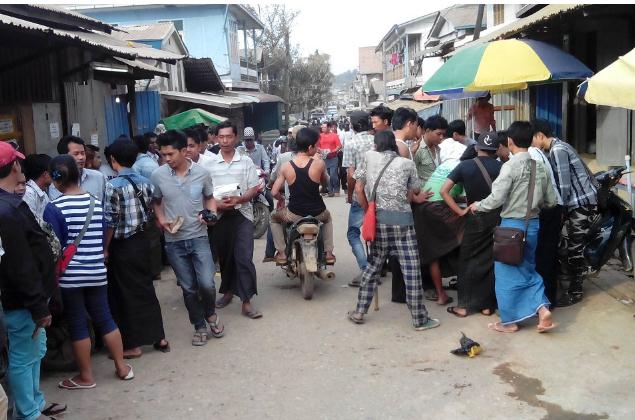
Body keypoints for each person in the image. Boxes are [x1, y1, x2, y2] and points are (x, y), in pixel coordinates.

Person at [45, 155, 134, 389]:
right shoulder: (95, 202)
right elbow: (103, 234)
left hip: (70, 277)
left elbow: (54, 247)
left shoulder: (54, 208)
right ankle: (122, 367)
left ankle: (86, 377)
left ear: (56, 180)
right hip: (97, 271)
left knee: (77, 323)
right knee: (105, 318)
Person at [469, 121, 557, 333]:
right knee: (528, 269)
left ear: (509, 141)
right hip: (533, 225)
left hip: (510, 228)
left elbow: (496, 198)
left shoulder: (509, 166)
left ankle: (509, 322)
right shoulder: (540, 166)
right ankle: (542, 309)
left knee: (506, 276)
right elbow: (551, 201)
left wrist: (477, 205)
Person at [347, 130, 439, 330]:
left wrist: (368, 210)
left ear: (376, 145)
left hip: (379, 221)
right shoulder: (407, 163)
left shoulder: (369, 157)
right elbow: (414, 190)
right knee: (411, 270)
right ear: (394, 146)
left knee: (373, 267)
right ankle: (419, 319)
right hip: (403, 223)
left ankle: (359, 311)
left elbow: (359, 188)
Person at [0, 143, 66, 419]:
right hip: (22, 301)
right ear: (14, 166)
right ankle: (28, 412)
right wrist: (38, 306)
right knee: (23, 355)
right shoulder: (6, 211)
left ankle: (35, 403)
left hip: (32, 296)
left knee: (35, 351)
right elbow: (19, 265)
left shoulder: (11, 204)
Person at [151, 130, 223, 345]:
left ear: (184, 151)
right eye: (163, 155)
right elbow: (156, 202)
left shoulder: (202, 173)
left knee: (207, 284)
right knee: (189, 287)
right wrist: (161, 220)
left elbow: (210, 199)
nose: (167, 159)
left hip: (199, 236)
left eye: (170, 154)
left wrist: (210, 214)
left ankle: (210, 314)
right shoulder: (158, 175)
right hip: (174, 241)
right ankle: (199, 326)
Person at [104, 140, 169, 358]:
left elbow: (111, 221)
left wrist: (105, 248)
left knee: (125, 293)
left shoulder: (112, 186)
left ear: (113, 159)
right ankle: (159, 336)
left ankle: (132, 345)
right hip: (143, 241)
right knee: (146, 288)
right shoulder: (146, 182)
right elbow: (152, 207)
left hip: (123, 246)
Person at [531, 119, 597, 307]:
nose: (532, 144)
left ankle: (575, 292)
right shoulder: (558, 146)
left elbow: (564, 184)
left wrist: (560, 209)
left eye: (532, 139)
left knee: (575, 249)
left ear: (540, 136)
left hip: (580, 203)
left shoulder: (558, 150)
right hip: (579, 201)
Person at [441, 132, 503, 317]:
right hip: (497, 216)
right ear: (496, 150)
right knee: (490, 259)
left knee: (467, 260)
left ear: (476, 147)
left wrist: (460, 211)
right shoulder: (502, 167)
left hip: (474, 216)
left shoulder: (465, 165)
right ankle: (487, 306)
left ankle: (464, 306)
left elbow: (444, 191)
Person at [206, 121, 262, 319]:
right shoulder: (209, 164)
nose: (225, 141)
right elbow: (206, 193)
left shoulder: (245, 161)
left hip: (243, 214)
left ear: (235, 137)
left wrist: (240, 199)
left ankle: (246, 301)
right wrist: (217, 204)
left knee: (244, 257)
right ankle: (228, 291)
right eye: (221, 137)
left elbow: (253, 188)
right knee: (225, 257)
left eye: (229, 136)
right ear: (216, 138)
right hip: (220, 216)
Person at [270, 128, 335, 264]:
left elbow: (274, 192)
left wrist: (281, 200)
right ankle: (329, 253)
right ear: (310, 147)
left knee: (274, 218)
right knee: (328, 219)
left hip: (294, 214)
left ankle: (281, 253)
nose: (317, 149)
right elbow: (325, 183)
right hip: (318, 212)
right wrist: (322, 187)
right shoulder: (319, 164)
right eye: (316, 146)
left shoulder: (286, 166)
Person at [416, 144, 465, 306]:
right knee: (466, 239)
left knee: (433, 254)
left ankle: (440, 294)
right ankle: (465, 285)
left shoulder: (444, 165)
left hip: (423, 208)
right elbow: (449, 194)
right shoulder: (464, 167)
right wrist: (461, 212)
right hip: (438, 209)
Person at [412, 115, 449, 302]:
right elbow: (410, 177)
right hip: (423, 203)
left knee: (435, 243)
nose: (441, 138)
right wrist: (417, 195)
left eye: (443, 135)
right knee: (426, 245)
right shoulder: (417, 151)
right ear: (427, 131)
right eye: (438, 134)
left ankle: (435, 283)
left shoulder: (438, 149)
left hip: (436, 202)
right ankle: (427, 285)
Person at [529, 122, 564, 304]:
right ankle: (549, 297)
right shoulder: (540, 152)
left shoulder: (533, 154)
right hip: (553, 206)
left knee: (543, 254)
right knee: (548, 252)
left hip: (548, 207)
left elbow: (539, 185)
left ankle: (546, 299)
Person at [342, 111, 374, 286]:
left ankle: (365, 268)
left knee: (353, 233)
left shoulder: (351, 143)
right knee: (375, 231)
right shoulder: (376, 140)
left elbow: (350, 174)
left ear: (354, 125)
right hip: (377, 193)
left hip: (359, 194)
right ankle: (376, 267)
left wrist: (349, 195)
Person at [49, 136, 106, 202]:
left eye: (83, 153)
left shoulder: (98, 177)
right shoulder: (57, 184)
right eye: (76, 154)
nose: (81, 157)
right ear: (64, 156)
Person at [22, 154, 52, 219]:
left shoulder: (43, 193)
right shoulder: (28, 193)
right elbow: (30, 221)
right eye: (52, 172)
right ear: (45, 174)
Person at [317, 122, 342, 197]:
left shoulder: (334, 135)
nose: (323, 128)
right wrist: (321, 150)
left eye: (324, 127)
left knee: (333, 174)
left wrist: (333, 151)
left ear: (328, 128)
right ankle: (330, 191)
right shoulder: (320, 136)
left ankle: (336, 189)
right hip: (324, 158)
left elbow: (339, 146)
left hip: (333, 157)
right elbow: (317, 146)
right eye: (322, 127)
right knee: (326, 176)